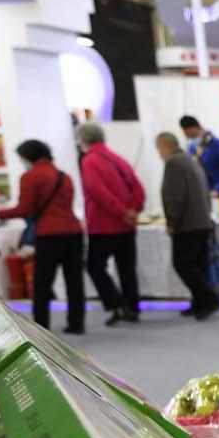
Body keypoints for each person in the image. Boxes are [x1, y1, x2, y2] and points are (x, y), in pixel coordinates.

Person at [0, 139, 85, 334]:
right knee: (74, 281)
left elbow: (24, 208)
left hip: (48, 234)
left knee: (42, 283)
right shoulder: (64, 176)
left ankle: (41, 326)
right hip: (73, 232)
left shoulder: (30, 177)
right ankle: (76, 323)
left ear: (27, 157)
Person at [76, 122, 144, 326]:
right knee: (127, 268)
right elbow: (137, 188)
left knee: (95, 266)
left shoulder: (90, 160)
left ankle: (116, 303)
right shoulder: (118, 158)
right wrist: (133, 210)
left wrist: (122, 211)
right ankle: (132, 307)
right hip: (126, 225)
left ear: (83, 139)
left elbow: (97, 192)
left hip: (103, 225)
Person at [157, 131, 219, 319]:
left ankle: (209, 298)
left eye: (158, 148)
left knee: (182, 264)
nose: (159, 153)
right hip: (202, 221)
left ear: (164, 146)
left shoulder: (173, 163)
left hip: (187, 224)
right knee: (198, 265)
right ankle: (199, 303)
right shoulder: (190, 160)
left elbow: (174, 196)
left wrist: (171, 221)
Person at [179, 115, 219, 203]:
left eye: (188, 134)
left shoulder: (217, 145)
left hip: (218, 195)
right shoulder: (192, 148)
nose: (187, 137)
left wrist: (218, 189)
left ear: (194, 128)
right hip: (202, 195)